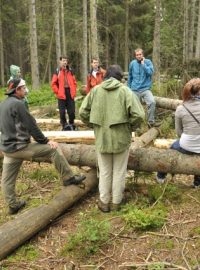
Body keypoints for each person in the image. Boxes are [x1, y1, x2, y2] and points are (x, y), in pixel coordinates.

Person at [0, 79, 86, 215]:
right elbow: (31, 125)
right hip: (20, 147)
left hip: (7, 148)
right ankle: (68, 177)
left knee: (7, 179)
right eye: (23, 87)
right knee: (54, 150)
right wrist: (45, 141)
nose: (25, 89)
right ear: (16, 90)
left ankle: (12, 205)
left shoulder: (3, 104)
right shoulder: (18, 104)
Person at [79, 65, 145, 212]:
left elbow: (82, 112)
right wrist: (130, 127)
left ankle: (104, 202)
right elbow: (139, 115)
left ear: (106, 76)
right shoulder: (125, 91)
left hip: (102, 138)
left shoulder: (95, 90)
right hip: (121, 138)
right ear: (120, 78)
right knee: (119, 171)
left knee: (104, 171)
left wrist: (95, 125)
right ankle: (116, 202)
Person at [156, 78, 200, 188]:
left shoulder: (181, 108)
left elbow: (179, 132)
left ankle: (160, 177)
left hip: (187, 145)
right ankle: (197, 183)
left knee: (172, 148)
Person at [128, 48, 159, 128]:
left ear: (143, 55)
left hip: (145, 89)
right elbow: (130, 76)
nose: (138, 56)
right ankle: (136, 126)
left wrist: (143, 65)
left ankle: (150, 122)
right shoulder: (132, 63)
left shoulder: (148, 62)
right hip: (134, 89)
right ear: (135, 56)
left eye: (140, 54)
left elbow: (150, 72)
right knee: (135, 108)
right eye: (137, 55)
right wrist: (129, 88)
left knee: (152, 102)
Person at [51, 56, 77, 131]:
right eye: (63, 61)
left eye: (66, 61)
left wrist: (74, 91)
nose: (65, 62)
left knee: (71, 111)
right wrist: (58, 92)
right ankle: (64, 125)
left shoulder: (71, 71)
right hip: (61, 93)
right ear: (60, 62)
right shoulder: (57, 71)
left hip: (70, 92)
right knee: (62, 113)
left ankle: (71, 123)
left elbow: (74, 82)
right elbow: (53, 83)